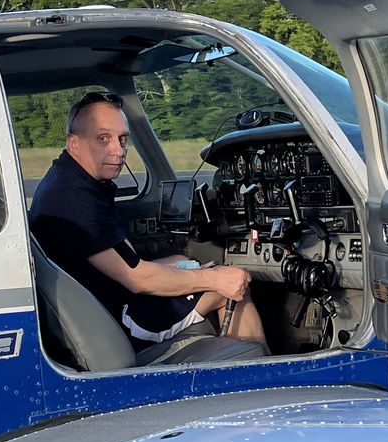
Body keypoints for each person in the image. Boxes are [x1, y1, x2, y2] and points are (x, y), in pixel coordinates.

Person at [29, 92, 268, 356]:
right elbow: (137, 279)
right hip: (127, 321)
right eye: (103, 138)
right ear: (73, 144)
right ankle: (263, 375)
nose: (118, 151)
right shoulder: (74, 200)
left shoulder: (69, 182)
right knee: (232, 287)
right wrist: (215, 278)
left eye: (122, 139)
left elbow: (125, 261)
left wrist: (180, 265)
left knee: (179, 259)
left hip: (110, 302)